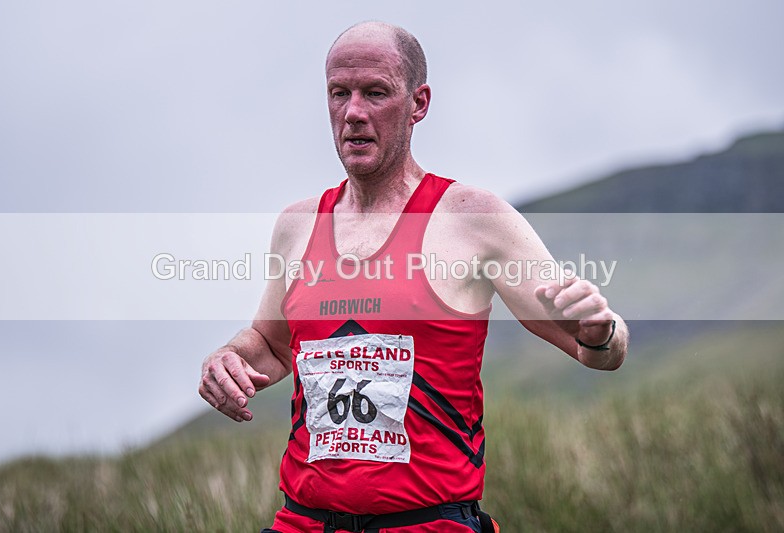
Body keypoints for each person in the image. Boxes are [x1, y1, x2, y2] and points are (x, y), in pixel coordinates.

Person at [198, 21, 628, 533]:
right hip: (304, 522)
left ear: (418, 104)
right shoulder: (297, 225)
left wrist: (600, 331)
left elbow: (599, 350)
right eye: (340, 93)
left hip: (428, 523)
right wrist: (226, 359)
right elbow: (271, 346)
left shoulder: (473, 219)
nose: (353, 112)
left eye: (375, 93)